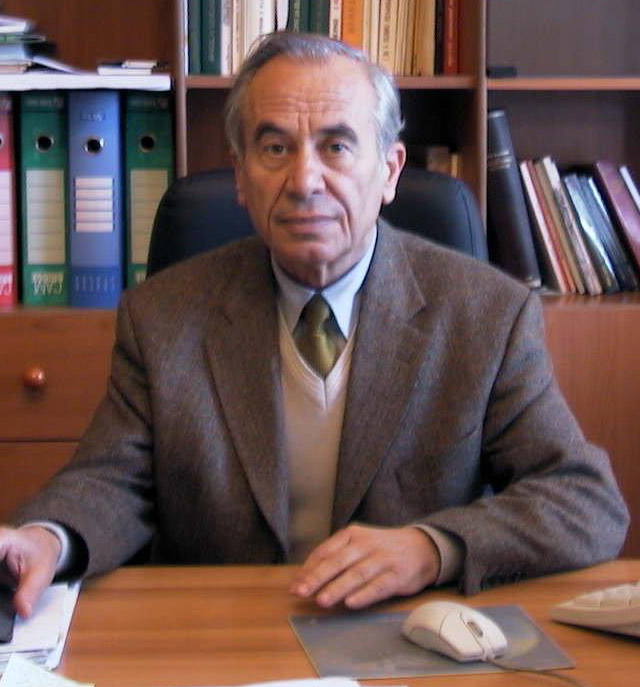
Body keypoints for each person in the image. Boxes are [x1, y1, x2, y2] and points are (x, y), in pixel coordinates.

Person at [0, 33, 629, 619]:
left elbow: (583, 501)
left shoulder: (486, 315)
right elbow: (112, 481)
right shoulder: (163, 316)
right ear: (241, 174)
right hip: (222, 634)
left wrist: (434, 547)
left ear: (389, 170)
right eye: (275, 149)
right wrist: (46, 538)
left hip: (404, 634)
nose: (304, 181)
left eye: (337, 147)